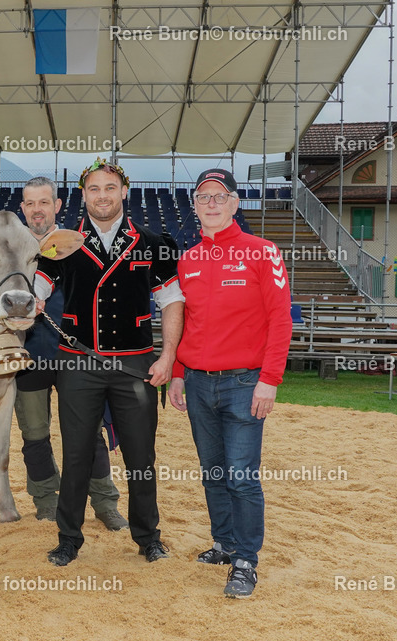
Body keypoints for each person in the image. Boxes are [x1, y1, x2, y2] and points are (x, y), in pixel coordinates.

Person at [34, 158, 185, 566]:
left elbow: (172, 300)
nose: (102, 196)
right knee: (77, 454)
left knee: (141, 457)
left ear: (124, 192)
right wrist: (30, 300)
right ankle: (69, 538)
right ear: (84, 195)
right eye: (94, 189)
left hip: (135, 365)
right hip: (77, 364)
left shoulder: (153, 242)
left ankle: (148, 537)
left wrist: (168, 356)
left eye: (110, 188)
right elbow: (37, 288)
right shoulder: (62, 242)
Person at [169, 169, 292, 598]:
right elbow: (186, 323)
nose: (212, 203)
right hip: (198, 383)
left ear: (235, 203)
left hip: (245, 383)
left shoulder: (263, 252)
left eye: (220, 196)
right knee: (214, 473)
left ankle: (246, 560)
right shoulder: (188, 259)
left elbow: (280, 320)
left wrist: (269, 379)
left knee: (241, 477)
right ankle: (224, 543)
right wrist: (178, 374)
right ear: (194, 205)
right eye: (204, 196)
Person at [17, 176, 128, 530]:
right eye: (30, 203)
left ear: (57, 206)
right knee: (35, 434)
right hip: (28, 359)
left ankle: (105, 502)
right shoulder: (11, 250)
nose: (37, 210)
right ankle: (47, 500)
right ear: (23, 209)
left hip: (76, 358)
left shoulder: (79, 245)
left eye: (44, 202)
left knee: (89, 433)